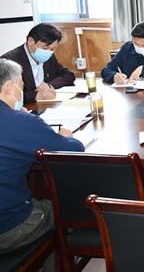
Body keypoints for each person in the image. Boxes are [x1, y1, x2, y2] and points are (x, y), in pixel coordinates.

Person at [0, 58, 84, 258]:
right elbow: (72, 153)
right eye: (22, 86)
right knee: (73, 209)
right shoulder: (17, 122)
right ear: (9, 86)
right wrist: (66, 137)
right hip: (9, 226)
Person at [1, 23, 75, 103]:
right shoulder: (9, 61)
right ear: (30, 41)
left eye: (52, 49)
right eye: (45, 48)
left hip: (46, 104)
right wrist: (36, 95)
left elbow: (68, 75)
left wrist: (49, 85)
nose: (48, 52)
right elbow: (4, 94)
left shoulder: (48, 55)